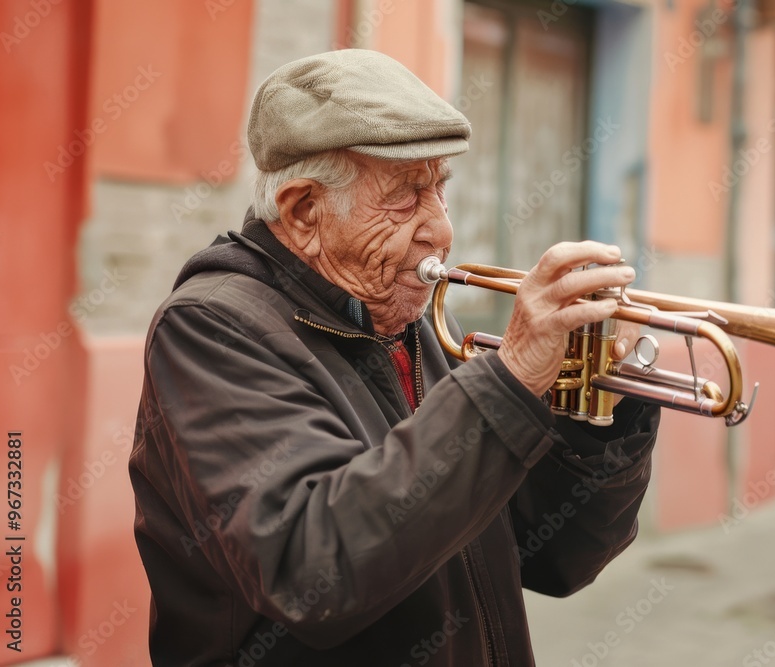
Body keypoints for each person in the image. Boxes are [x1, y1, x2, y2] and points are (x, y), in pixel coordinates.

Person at [129, 49, 659, 666]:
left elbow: (555, 557)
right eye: (406, 198)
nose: (441, 229)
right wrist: (509, 382)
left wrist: (600, 420)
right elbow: (310, 572)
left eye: (439, 189)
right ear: (304, 211)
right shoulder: (212, 330)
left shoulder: (415, 322)